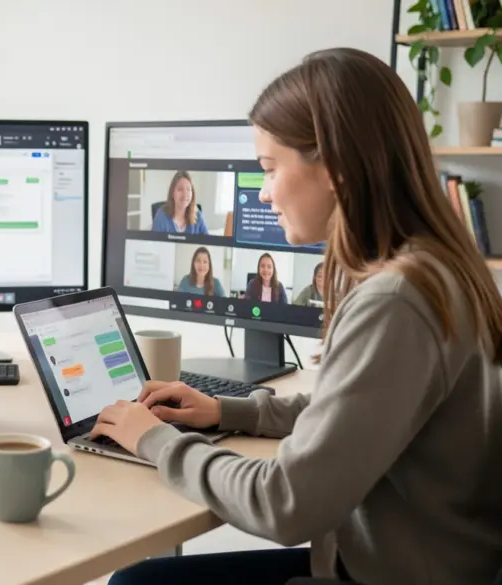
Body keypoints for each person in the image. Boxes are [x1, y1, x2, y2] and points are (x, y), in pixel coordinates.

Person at [93, 47, 502, 585]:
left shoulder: (396, 300)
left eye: (269, 168)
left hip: (382, 575)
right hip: (419, 564)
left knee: (135, 583)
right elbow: (357, 409)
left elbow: (285, 504)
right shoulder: (437, 267)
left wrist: (153, 439)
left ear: (332, 166)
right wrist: (227, 411)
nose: (263, 192)